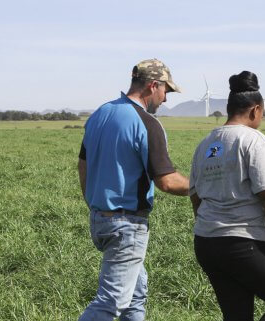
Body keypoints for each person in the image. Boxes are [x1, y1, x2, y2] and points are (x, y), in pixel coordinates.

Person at [190, 71, 265, 320]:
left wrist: (212, 228)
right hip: (246, 242)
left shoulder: (205, 144)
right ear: (256, 110)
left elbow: (195, 197)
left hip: (207, 243)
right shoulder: (253, 140)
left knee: (236, 316)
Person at [77, 58, 190, 321]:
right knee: (110, 302)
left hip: (100, 218)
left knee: (136, 294)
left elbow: (83, 166)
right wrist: (205, 185)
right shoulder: (147, 123)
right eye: (166, 91)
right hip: (126, 224)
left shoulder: (101, 114)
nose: (165, 99)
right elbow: (167, 181)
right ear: (153, 85)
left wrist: (95, 204)